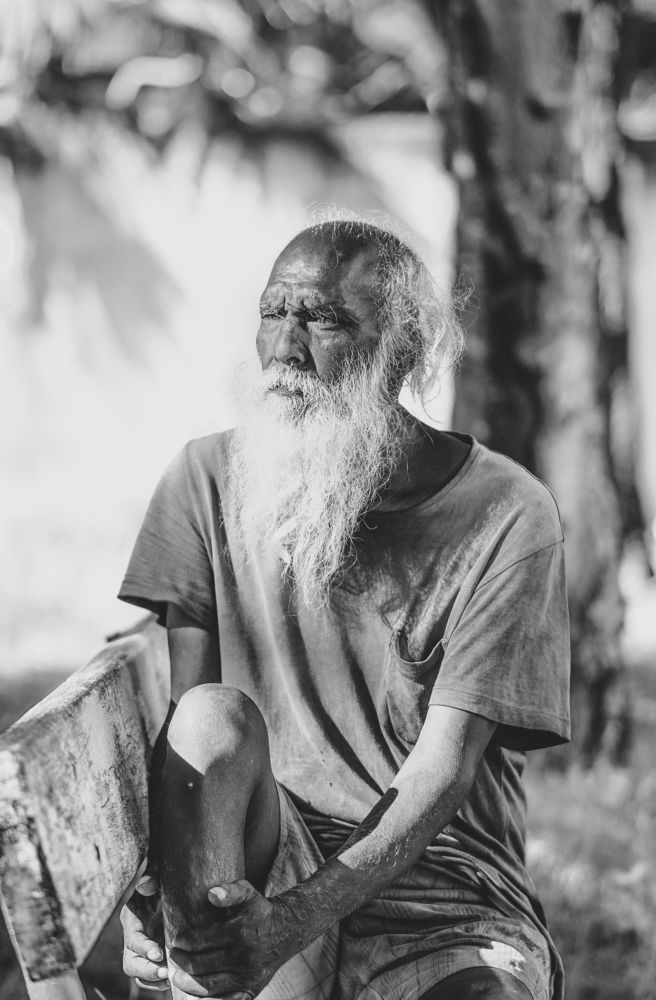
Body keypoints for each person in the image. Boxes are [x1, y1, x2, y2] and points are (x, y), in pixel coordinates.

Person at [118, 218, 570, 1000]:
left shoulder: (508, 514)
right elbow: (189, 742)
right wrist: (159, 895)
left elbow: (443, 770)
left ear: (401, 352)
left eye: (323, 321)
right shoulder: (205, 480)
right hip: (265, 864)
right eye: (273, 313)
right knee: (209, 716)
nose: (285, 350)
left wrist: (292, 922)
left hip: (442, 900)